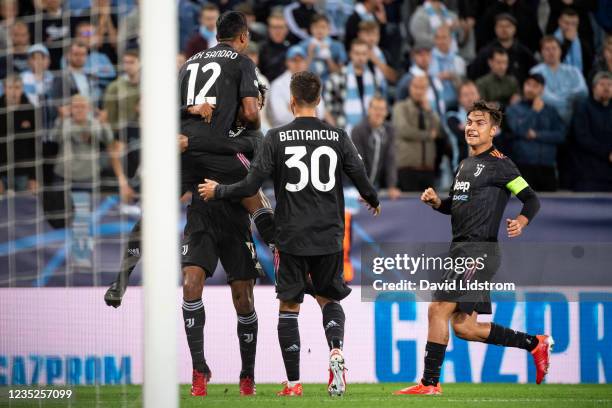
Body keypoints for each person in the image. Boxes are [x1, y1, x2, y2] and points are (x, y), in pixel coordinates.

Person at [198, 71, 380, 397]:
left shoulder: (276, 137)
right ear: (319, 99)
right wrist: (373, 199)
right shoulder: (338, 135)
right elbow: (361, 177)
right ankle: (335, 350)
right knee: (329, 297)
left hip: (291, 234)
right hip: (329, 234)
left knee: (289, 306)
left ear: (291, 100)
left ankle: (294, 384)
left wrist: (219, 189)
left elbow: (251, 185)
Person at [394, 100, 551, 396]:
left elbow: (531, 198)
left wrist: (522, 220)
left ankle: (429, 384)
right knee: (464, 327)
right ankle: (535, 343)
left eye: (479, 123)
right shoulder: (464, 165)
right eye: (469, 121)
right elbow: (457, 207)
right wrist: (438, 202)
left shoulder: (501, 164)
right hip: (463, 250)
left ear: (494, 130)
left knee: (437, 308)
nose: (471, 127)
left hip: (479, 251)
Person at [177, 10, 273, 398]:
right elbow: (249, 117)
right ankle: (199, 370)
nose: (256, 107)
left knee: (243, 297)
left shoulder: (188, 67)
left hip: (229, 213)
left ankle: (247, 374)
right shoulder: (248, 125)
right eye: (255, 100)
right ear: (244, 37)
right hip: (203, 212)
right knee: (190, 283)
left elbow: (252, 191)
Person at [506, 73, 565, 191]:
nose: (530, 89)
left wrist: (537, 135)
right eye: (528, 85)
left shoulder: (551, 110)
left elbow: (560, 136)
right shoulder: (513, 109)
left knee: (553, 207)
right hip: (523, 166)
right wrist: (534, 111)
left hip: (547, 166)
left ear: (542, 89)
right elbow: (520, 130)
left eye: (535, 86)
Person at [323, 39, 387, 134]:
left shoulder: (374, 79)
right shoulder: (337, 78)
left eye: (364, 54)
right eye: (357, 53)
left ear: (368, 55)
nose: (360, 57)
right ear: (350, 54)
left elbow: (380, 105)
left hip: (369, 133)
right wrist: (336, 131)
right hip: (344, 132)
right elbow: (325, 108)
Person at [102, 48, 140, 202]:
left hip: (144, 135)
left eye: (131, 62)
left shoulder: (149, 85)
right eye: (125, 62)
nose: (128, 66)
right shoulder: (115, 87)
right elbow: (108, 117)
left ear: (140, 63)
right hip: (123, 137)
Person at [393, 75, 440, 192]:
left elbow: (438, 131)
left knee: (429, 208)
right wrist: (428, 135)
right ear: (410, 88)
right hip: (407, 168)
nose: (419, 91)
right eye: (416, 87)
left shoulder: (429, 110)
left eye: (422, 88)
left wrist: (429, 111)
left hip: (428, 169)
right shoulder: (400, 107)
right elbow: (404, 130)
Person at [568, 72, 612, 192]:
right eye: (602, 84)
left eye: (609, 84)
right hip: (587, 174)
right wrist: (607, 152)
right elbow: (582, 138)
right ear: (593, 88)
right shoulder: (582, 107)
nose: (607, 88)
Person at [351, 95, 400, 199]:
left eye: (382, 109)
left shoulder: (390, 130)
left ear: (386, 112)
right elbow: (358, 162)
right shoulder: (358, 130)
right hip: (355, 186)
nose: (378, 113)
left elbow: (391, 160)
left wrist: (392, 186)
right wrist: (362, 188)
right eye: (375, 109)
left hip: (376, 186)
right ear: (369, 110)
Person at [530, 36, 587, 124]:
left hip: (573, 118)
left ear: (560, 50)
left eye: (554, 48)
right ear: (541, 52)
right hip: (546, 119)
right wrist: (567, 99)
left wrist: (563, 98)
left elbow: (583, 91)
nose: (551, 52)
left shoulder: (573, 71)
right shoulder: (535, 72)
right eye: (547, 49)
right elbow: (542, 96)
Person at [467, 13, 536, 85]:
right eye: (500, 26)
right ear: (495, 29)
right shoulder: (485, 52)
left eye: (508, 26)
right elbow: (473, 75)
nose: (504, 29)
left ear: (514, 29)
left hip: (518, 93)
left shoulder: (524, 53)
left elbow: (535, 74)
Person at [269, 46, 325, 128]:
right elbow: (280, 116)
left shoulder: (313, 81)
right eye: (294, 60)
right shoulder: (277, 84)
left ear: (305, 62)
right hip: (285, 132)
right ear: (287, 62)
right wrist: (308, 107)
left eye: (301, 60)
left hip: (310, 131)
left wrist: (294, 106)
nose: (297, 63)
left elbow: (321, 113)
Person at [0, 74, 38, 194]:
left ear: (22, 89)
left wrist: (33, 177)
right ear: (4, 89)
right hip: (1, 171)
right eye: (10, 88)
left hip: (23, 173)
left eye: (17, 88)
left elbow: (35, 145)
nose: (14, 92)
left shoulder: (30, 110)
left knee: (22, 210)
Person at [298, 14, 346, 83]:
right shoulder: (302, 46)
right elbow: (299, 73)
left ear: (329, 29)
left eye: (323, 27)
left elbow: (339, 73)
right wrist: (310, 55)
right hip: (308, 85)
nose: (319, 30)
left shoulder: (337, 46)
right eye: (316, 27)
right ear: (311, 28)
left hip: (330, 85)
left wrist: (328, 57)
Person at [444, 80, 481, 166]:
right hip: (462, 169)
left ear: (479, 96)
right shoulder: (452, 117)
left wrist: (468, 127)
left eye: (472, 93)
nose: (470, 98)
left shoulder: (488, 117)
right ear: (459, 99)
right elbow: (462, 136)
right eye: (465, 95)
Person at [430, 25, 466, 110]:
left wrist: (453, 76)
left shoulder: (458, 60)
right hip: (435, 102)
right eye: (438, 38)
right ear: (435, 40)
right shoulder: (428, 59)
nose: (441, 41)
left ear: (450, 39)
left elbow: (463, 83)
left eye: (444, 38)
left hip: (457, 102)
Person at [553, 8, 593, 78]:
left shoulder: (583, 43)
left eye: (574, 24)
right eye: (566, 23)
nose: (570, 27)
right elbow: (553, 62)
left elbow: (589, 66)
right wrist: (568, 42)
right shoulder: (551, 40)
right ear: (559, 22)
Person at [258, 11, 292, 83]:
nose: (277, 31)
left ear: (287, 29)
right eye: (274, 27)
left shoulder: (292, 49)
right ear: (269, 29)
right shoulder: (260, 49)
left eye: (281, 27)